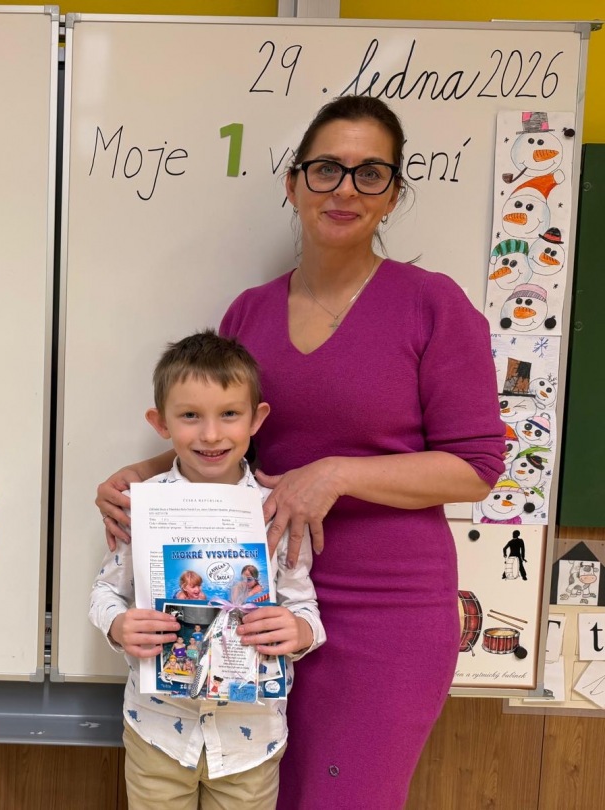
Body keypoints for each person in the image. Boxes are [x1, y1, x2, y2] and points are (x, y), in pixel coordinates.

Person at [95, 96, 505, 809]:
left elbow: (475, 468)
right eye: (326, 169)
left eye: (370, 173)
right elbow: (231, 444)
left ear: (393, 195)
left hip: (387, 611)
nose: (345, 189)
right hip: (245, 606)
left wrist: (336, 475)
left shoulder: (433, 306)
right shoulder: (249, 312)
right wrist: (143, 474)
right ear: (293, 184)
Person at [90, 330, 325, 810]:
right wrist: (118, 625)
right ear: (160, 423)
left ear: (257, 419)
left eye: (230, 414)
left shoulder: (276, 511)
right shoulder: (139, 506)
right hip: (157, 734)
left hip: (250, 745)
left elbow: (305, 607)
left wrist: (298, 631)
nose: (211, 434)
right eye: (190, 416)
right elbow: (104, 593)